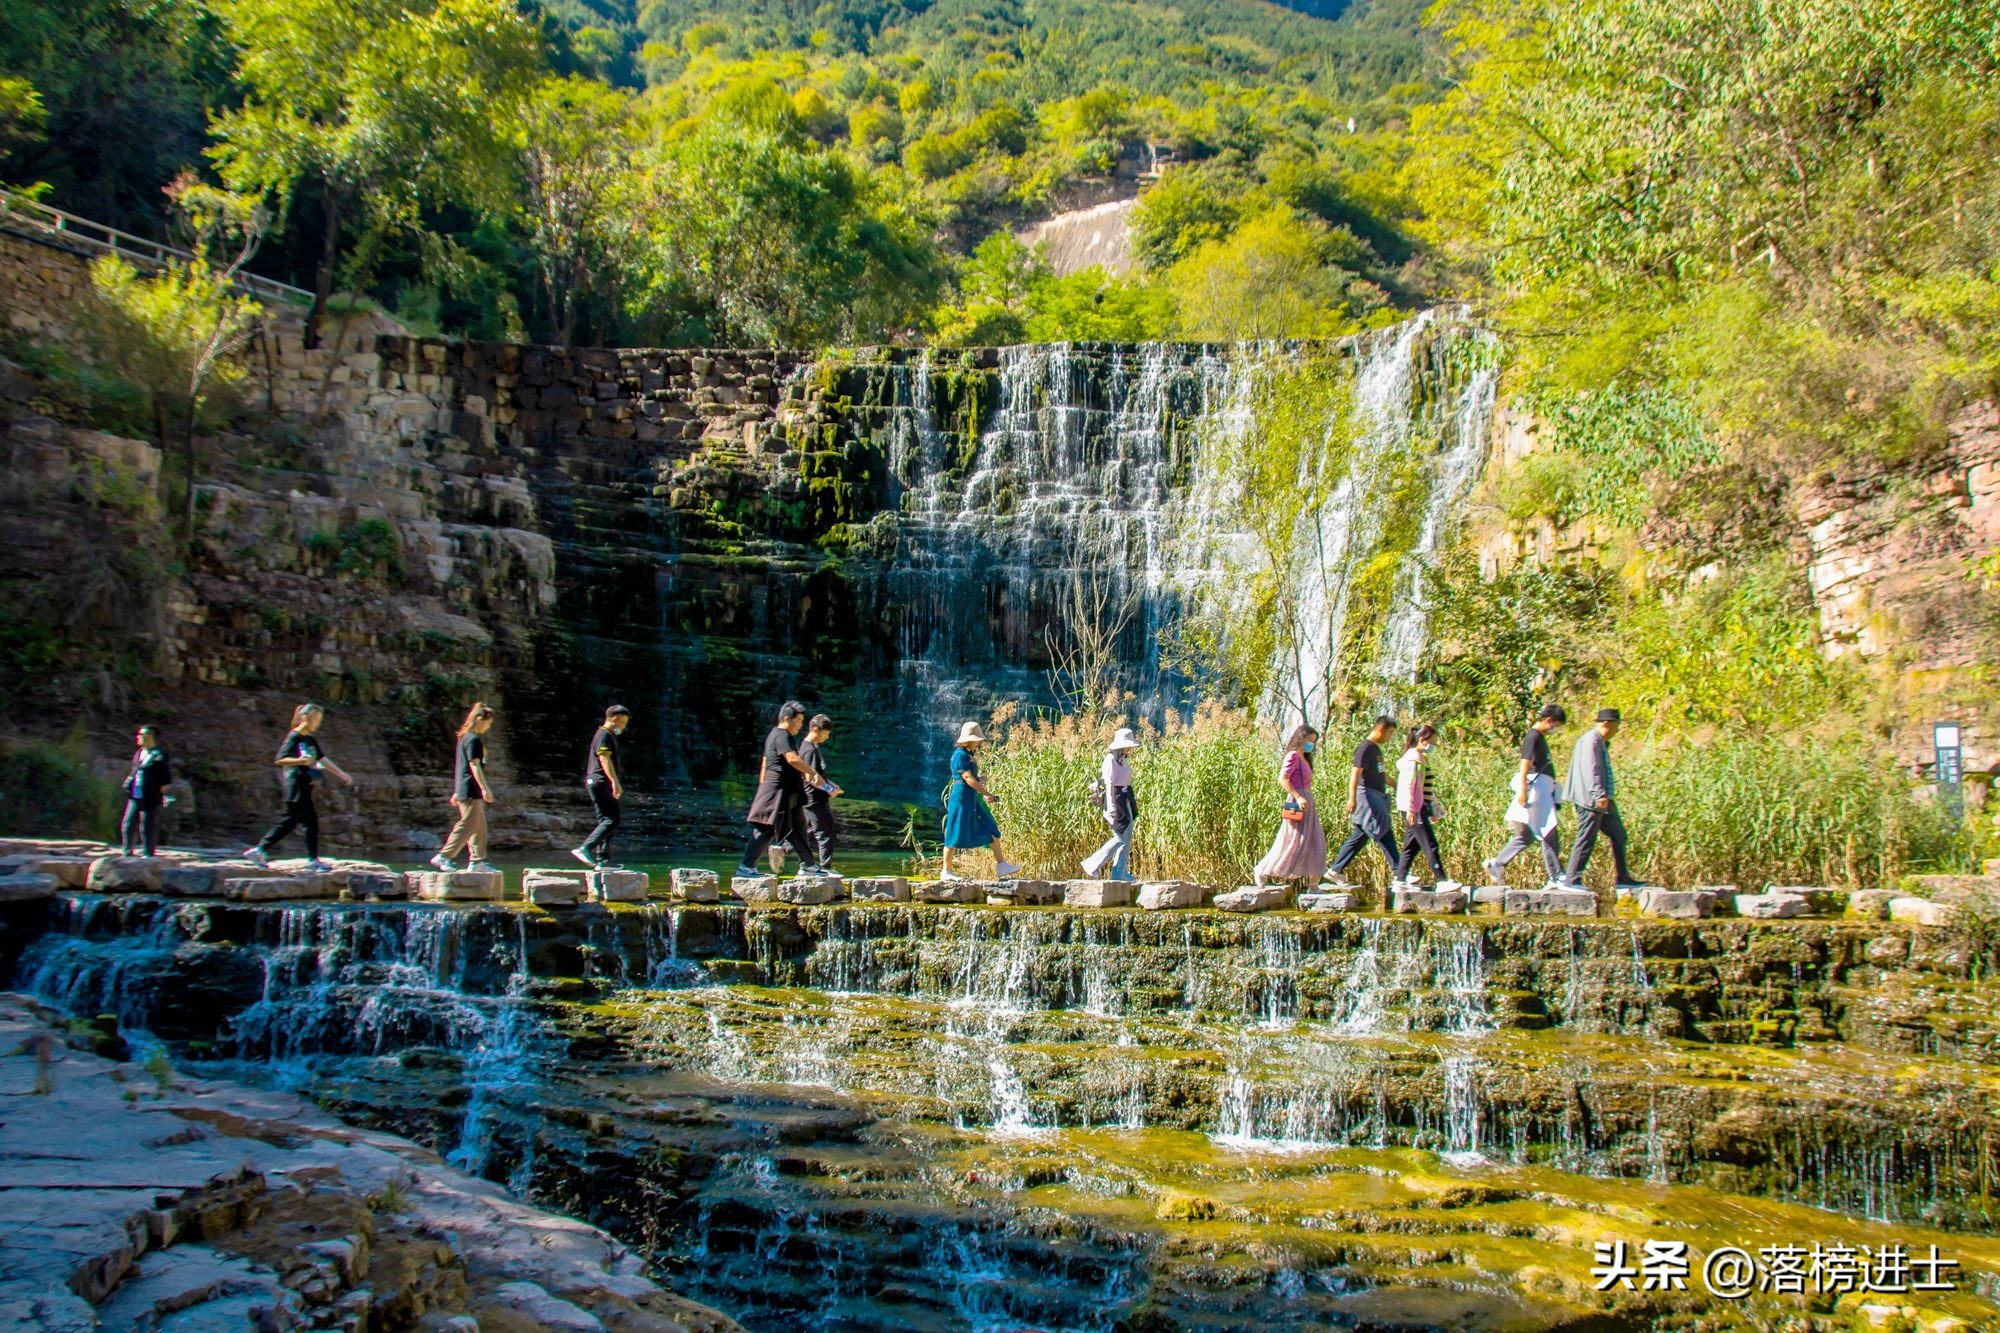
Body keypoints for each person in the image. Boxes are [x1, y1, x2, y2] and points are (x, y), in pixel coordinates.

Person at [243, 703, 352, 871]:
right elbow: (280, 759)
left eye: (319, 719)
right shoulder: (294, 736)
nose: (318, 722)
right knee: (308, 821)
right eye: (315, 719)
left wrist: (340, 773)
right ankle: (311, 860)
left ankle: (259, 850)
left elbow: (321, 759)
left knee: (292, 820)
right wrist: (300, 761)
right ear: (305, 717)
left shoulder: (309, 738)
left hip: (304, 783)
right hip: (295, 782)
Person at [736, 701, 835, 877]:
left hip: (789, 791)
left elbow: (765, 763)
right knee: (766, 828)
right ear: (787, 719)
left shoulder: (777, 736)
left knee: (799, 827)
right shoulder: (781, 734)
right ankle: (746, 867)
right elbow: (792, 759)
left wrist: (763, 785)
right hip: (778, 790)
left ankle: (808, 866)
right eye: (798, 721)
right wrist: (812, 773)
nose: (800, 726)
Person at [1561, 707, 1649, 893]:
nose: (1618, 730)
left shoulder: (1599, 741)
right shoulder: (1591, 741)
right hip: (1591, 800)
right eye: (1616, 726)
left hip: (1603, 800)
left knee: (1618, 834)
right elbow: (1590, 768)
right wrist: (1598, 794)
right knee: (1586, 838)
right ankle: (1571, 879)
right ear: (1607, 724)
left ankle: (1623, 878)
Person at [1484, 704, 1568, 888]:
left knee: (1526, 835)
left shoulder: (1539, 738)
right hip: (1536, 792)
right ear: (1549, 720)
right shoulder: (1533, 736)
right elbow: (1524, 763)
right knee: (1547, 830)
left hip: (1541, 789)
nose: (1556, 729)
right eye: (1557, 725)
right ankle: (1556, 875)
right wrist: (1522, 789)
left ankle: (1497, 864)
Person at [940, 722, 1021, 880]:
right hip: (962, 798)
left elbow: (971, 778)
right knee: (954, 831)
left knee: (990, 827)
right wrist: (986, 793)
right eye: (976, 739)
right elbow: (967, 778)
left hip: (971, 798)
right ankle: (946, 871)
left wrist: (981, 787)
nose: (979, 742)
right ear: (968, 740)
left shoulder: (967, 755)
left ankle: (1002, 865)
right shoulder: (960, 755)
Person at [1326, 716, 1400, 889]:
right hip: (1367, 796)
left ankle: (1336, 870)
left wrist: (1398, 786)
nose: (1389, 737)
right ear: (1380, 728)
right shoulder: (1365, 748)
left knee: (1360, 836)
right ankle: (1399, 872)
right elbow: (1355, 774)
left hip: (1376, 795)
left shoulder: (1376, 750)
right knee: (1383, 830)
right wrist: (1351, 798)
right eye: (1390, 732)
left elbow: (1382, 775)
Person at [1253, 725, 1325, 889]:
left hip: (1308, 802)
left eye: (1313, 741)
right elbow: (1283, 779)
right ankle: (1262, 869)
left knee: (1315, 841)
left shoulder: (1305, 758)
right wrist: (1298, 797)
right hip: (1297, 802)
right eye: (1309, 740)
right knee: (1291, 841)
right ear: (1301, 738)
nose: (1311, 744)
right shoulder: (1293, 756)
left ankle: (1314, 885)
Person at [433, 703, 498, 873]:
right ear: (479, 719)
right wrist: (485, 789)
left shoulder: (465, 738)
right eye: (488, 723)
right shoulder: (473, 739)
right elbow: (473, 765)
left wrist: (457, 791)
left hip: (466, 789)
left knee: (479, 826)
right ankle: (444, 856)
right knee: (468, 824)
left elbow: (461, 768)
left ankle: (477, 862)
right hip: (471, 790)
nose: (488, 727)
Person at [572, 705, 630, 869]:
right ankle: (585, 848)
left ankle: (603, 860)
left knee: (606, 820)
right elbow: (604, 758)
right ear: (614, 719)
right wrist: (614, 781)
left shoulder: (606, 735)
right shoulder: (604, 735)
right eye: (623, 722)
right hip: (601, 781)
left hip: (596, 781)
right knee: (612, 820)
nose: (624, 726)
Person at [1081, 728, 1141, 881]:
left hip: (1125, 798)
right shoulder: (1110, 760)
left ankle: (1118, 873)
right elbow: (1109, 784)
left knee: (1126, 837)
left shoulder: (1122, 760)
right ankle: (1092, 863)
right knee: (1120, 837)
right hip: (1115, 799)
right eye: (1128, 746)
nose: (1130, 748)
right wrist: (1112, 808)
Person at [1393, 724, 1446, 888]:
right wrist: (1411, 809)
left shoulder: (1420, 758)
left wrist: (1434, 809)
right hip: (1414, 809)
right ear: (1422, 740)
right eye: (1433, 743)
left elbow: (1424, 788)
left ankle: (1400, 880)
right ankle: (1442, 880)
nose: (1433, 747)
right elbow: (1411, 785)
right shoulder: (1413, 759)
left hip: (1418, 807)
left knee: (1412, 846)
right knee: (1430, 844)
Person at [796, 713, 844, 875]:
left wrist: (830, 784)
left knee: (809, 830)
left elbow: (818, 773)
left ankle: (783, 848)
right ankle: (825, 867)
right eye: (825, 733)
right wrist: (829, 790)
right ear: (816, 730)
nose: (827, 737)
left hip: (813, 797)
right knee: (825, 830)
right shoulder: (809, 750)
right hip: (813, 798)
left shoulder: (813, 748)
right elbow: (810, 777)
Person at [120, 725, 172, 857]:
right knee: (128, 823)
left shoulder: (158, 755)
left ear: (150, 736)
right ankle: (127, 851)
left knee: (147, 825)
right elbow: (134, 771)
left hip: (150, 796)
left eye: (141, 734)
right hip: (135, 794)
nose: (138, 737)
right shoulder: (139, 753)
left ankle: (148, 852)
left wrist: (161, 795)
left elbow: (165, 778)